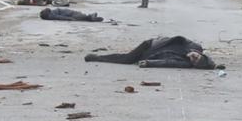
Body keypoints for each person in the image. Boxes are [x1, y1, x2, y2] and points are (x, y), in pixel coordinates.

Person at [85, 36, 217, 69]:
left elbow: (167, 63)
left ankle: (97, 57)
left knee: (127, 59)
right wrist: (190, 51)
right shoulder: (194, 46)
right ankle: (97, 57)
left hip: (150, 55)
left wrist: (149, 63)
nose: (193, 58)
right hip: (152, 44)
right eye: (197, 57)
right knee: (127, 59)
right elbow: (181, 38)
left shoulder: (185, 63)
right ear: (200, 54)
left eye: (194, 61)